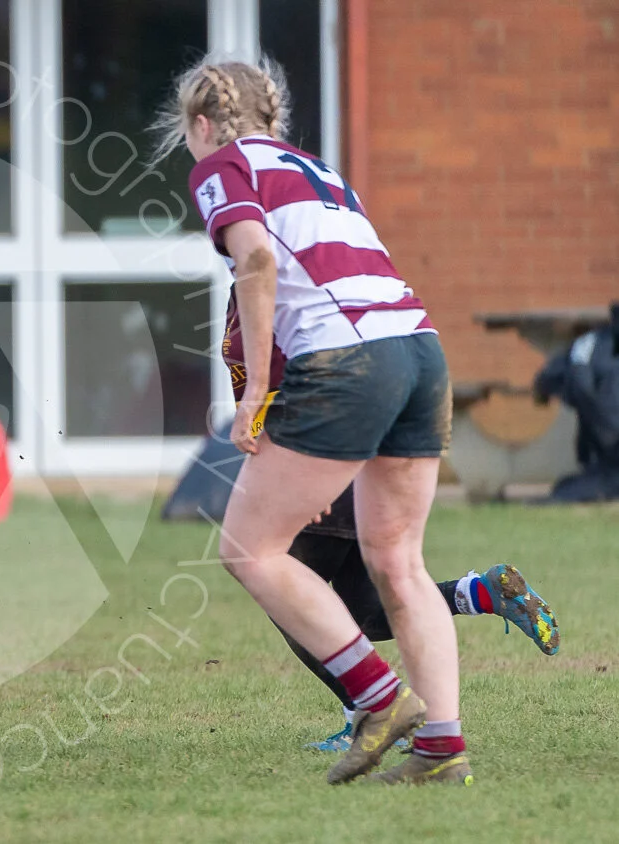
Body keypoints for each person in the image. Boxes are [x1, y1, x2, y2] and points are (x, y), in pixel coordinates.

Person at [157, 56, 471, 785]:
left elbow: (257, 262)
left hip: (350, 362)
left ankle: (380, 699)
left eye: (188, 136)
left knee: (250, 549)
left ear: (202, 125)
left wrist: (257, 389)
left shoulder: (222, 166)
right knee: (398, 562)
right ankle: (442, 748)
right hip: (421, 351)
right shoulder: (317, 169)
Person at [222, 294, 560, 752]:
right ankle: (481, 591)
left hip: (320, 449)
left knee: (290, 601)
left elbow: (307, 379)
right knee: (363, 609)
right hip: (344, 442)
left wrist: (303, 476)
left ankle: (369, 714)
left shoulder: (276, 284)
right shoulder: (260, 284)